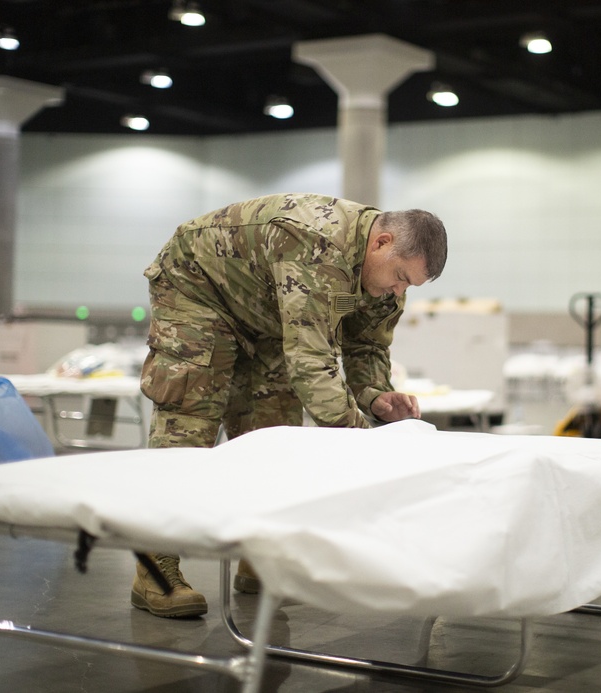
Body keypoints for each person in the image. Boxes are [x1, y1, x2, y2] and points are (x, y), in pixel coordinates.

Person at [131, 192, 448, 618]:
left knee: (273, 432)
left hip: (265, 311)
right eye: (401, 277)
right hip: (199, 289)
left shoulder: (386, 276)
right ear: (381, 242)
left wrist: (376, 398)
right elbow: (312, 365)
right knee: (190, 422)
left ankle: (258, 558)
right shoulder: (317, 246)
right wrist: (361, 439)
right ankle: (156, 570)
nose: (399, 290)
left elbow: (366, 344)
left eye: (409, 284)